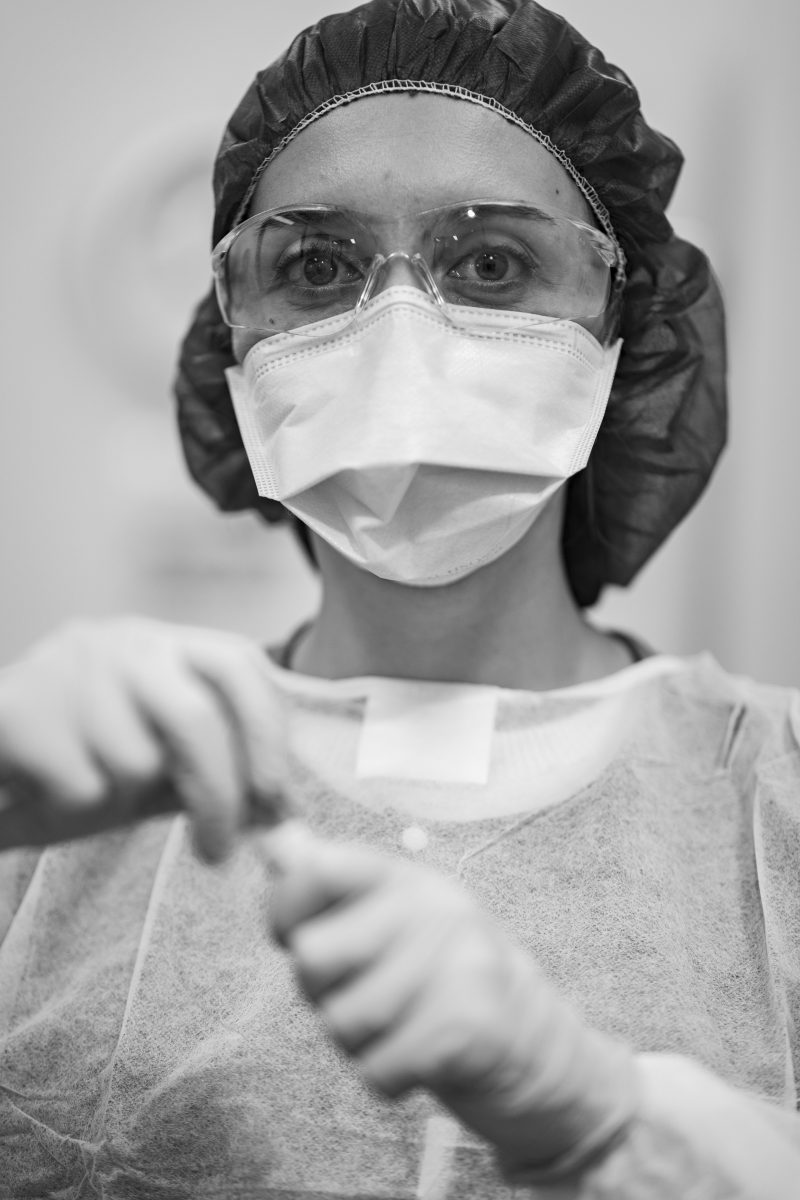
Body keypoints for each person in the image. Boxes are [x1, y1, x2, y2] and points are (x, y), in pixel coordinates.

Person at [1, 0, 798, 1194]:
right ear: (232, 345)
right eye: (315, 268)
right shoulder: (69, 793)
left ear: (620, 333)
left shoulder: (773, 795)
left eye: (491, 263)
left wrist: (608, 1125)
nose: (398, 333)